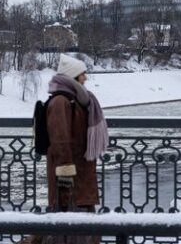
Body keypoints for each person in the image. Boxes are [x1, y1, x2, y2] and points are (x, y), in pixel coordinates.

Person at [45, 55, 109, 243]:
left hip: (81, 176)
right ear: (72, 75)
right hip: (71, 181)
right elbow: (60, 141)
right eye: (82, 74)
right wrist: (65, 177)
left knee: (84, 228)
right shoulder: (61, 102)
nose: (85, 78)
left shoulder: (77, 99)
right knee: (73, 231)